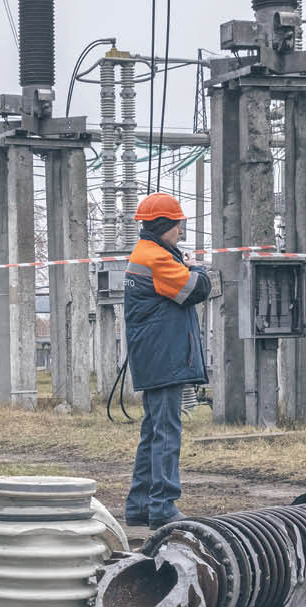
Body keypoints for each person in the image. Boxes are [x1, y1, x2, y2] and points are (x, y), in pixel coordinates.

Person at [123, 192, 213, 529]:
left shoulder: (150, 253)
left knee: (153, 432)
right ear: (166, 225)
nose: (180, 231)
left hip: (155, 355)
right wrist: (197, 269)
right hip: (164, 358)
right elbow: (196, 290)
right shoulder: (156, 258)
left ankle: (139, 506)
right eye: (178, 224)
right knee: (166, 433)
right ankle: (163, 506)